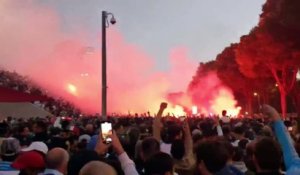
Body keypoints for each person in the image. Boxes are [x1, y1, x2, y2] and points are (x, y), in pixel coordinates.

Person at [262, 104, 300, 175]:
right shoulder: (296, 167)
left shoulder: (296, 168)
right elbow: (287, 146)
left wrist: (276, 119)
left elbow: (287, 146)